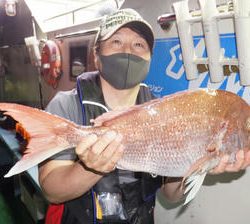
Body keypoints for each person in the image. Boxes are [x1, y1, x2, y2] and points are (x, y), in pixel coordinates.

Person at [39, 8, 250, 224]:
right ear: (96, 54)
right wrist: (92, 167)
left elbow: (170, 194)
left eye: (139, 44)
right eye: (116, 42)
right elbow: (52, 191)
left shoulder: (163, 112)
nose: (129, 51)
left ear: (149, 58)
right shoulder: (66, 105)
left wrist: (200, 167)